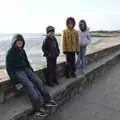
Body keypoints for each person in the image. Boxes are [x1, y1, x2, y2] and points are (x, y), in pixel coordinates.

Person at [6, 34, 57, 117]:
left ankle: (47, 101)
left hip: (26, 69)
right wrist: (15, 82)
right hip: (18, 71)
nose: (20, 43)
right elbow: (9, 68)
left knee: (38, 81)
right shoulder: (10, 53)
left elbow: (26, 61)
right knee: (30, 85)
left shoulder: (22, 50)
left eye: (21, 42)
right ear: (14, 42)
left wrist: (31, 71)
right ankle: (37, 109)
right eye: (18, 42)